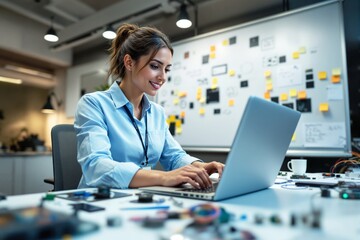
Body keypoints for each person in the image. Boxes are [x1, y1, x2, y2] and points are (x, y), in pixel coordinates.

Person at [74, 23, 224, 190]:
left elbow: (174, 156)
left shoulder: (157, 113)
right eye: (155, 66)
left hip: (139, 200)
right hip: (98, 201)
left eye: (166, 69)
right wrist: (163, 177)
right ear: (129, 63)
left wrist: (199, 167)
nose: (163, 77)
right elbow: (97, 167)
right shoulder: (94, 104)